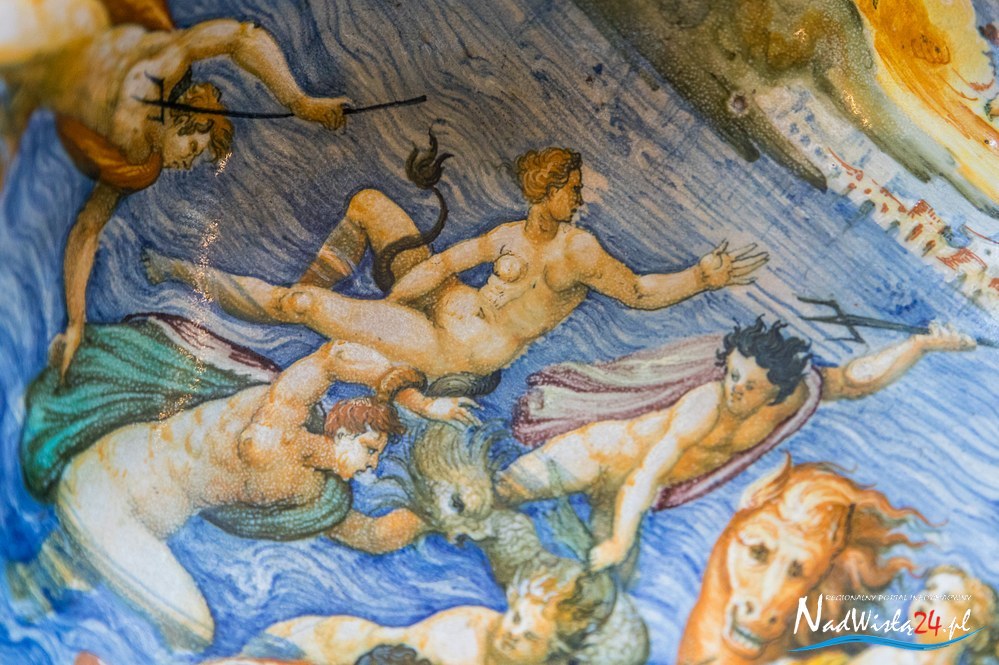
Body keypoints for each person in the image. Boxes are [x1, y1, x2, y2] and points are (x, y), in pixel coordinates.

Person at [21, 316, 476, 651]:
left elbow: (371, 535)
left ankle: (37, 590)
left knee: (178, 627)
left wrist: (442, 516)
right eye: (370, 450)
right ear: (344, 430)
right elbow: (332, 357)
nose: (370, 467)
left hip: (139, 525)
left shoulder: (310, 491)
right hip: (108, 487)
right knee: (191, 629)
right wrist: (413, 396)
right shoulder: (279, 419)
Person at [144, 147, 768, 386]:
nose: (579, 199)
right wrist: (388, 307)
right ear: (545, 192)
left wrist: (701, 277)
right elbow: (440, 264)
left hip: (451, 348)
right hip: (439, 305)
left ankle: (183, 275)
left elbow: (637, 291)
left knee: (302, 307)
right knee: (370, 204)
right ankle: (318, 306)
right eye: (572, 189)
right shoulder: (505, 235)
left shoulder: (578, 252)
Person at [3, 1, 349, 378]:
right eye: (195, 148)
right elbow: (241, 38)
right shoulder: (167, 63)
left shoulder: (134, 157)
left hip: (26, 74)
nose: (187, 163)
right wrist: (300, 102)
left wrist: (75, 324)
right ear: (189, 120)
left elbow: (86, 231)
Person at [495, 318, 977, 571]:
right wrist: (620, 540)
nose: (735, 390)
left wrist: (920, 345)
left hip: (626, 496)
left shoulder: (798, 395)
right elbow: (647, 472)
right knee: (493, 497)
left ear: (779, 389)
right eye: (733, 375)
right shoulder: (705, 404)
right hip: (593, 458)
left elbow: (855, 380)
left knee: (600, 590)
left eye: (750, 385)